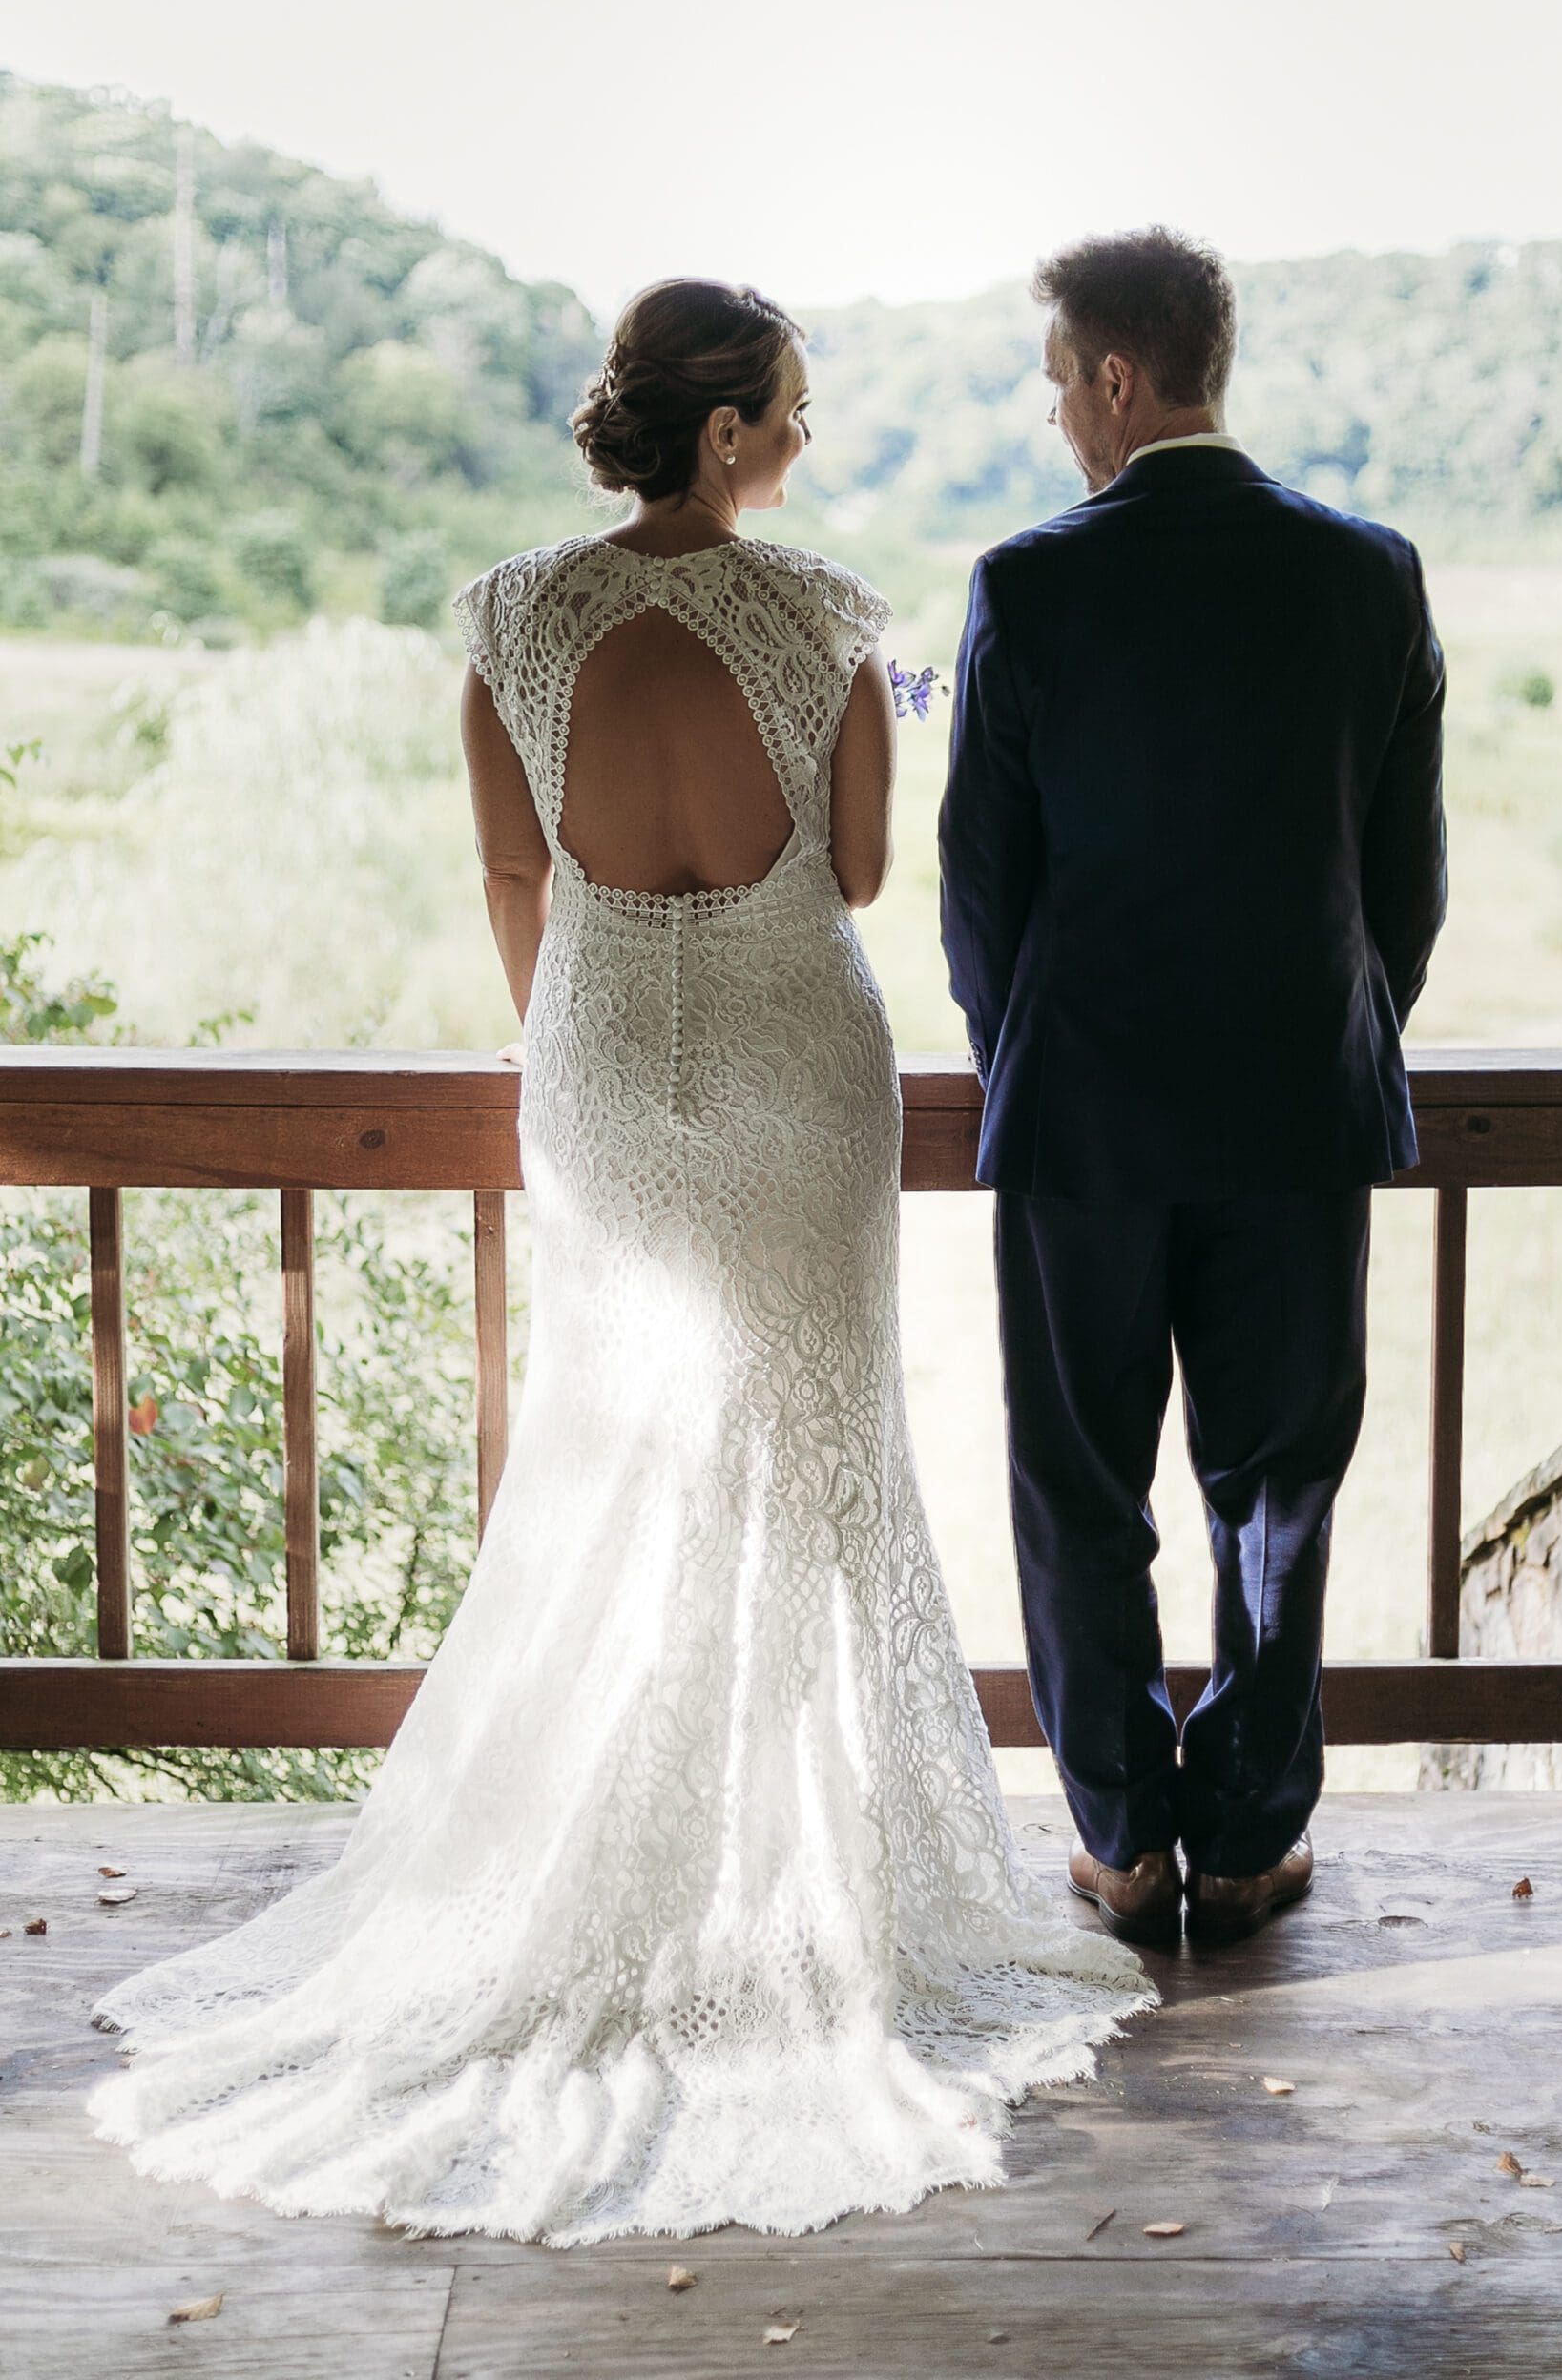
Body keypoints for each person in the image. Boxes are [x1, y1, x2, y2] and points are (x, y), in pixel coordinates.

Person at [84, 277, 1153, 2248]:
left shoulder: (509, 616)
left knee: (611, 1455)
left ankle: (604, 1870)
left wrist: (567, 1049)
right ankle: (804, 1888)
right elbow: (849, 872)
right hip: (792, 1056)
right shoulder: (827, 617)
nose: (811, 440)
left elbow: (517, 870)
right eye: (797, 410)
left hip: (590, 1059)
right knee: (814, 1461)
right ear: (729, 432)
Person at [939, 228, 1447, 1951]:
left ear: (1111, 378)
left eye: (1052, 381)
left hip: (1080, 1118)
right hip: (1298, 1113)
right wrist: (1322, 1028)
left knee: (1082, 1485)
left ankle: (1115, 1837)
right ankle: (1242, 1844)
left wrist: (1038, 1056)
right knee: (1277, 1488)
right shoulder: (1369, 575)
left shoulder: (1026, 584)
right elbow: (1406, 884)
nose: (1053, 416)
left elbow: (978, 899)